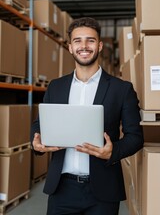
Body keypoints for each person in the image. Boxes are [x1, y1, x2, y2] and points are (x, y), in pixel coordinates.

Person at [31, 17, 144, 215]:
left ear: (99, 46)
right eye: (78, 41)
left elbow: (135, 137)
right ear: (70, 47)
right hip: (62, 189)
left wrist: (112, 152)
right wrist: (36, 143)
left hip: (103, 191)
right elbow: (40, 123)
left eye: (90, 40)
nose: (84, 46)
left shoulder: (122, 89)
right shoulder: (56, 87)